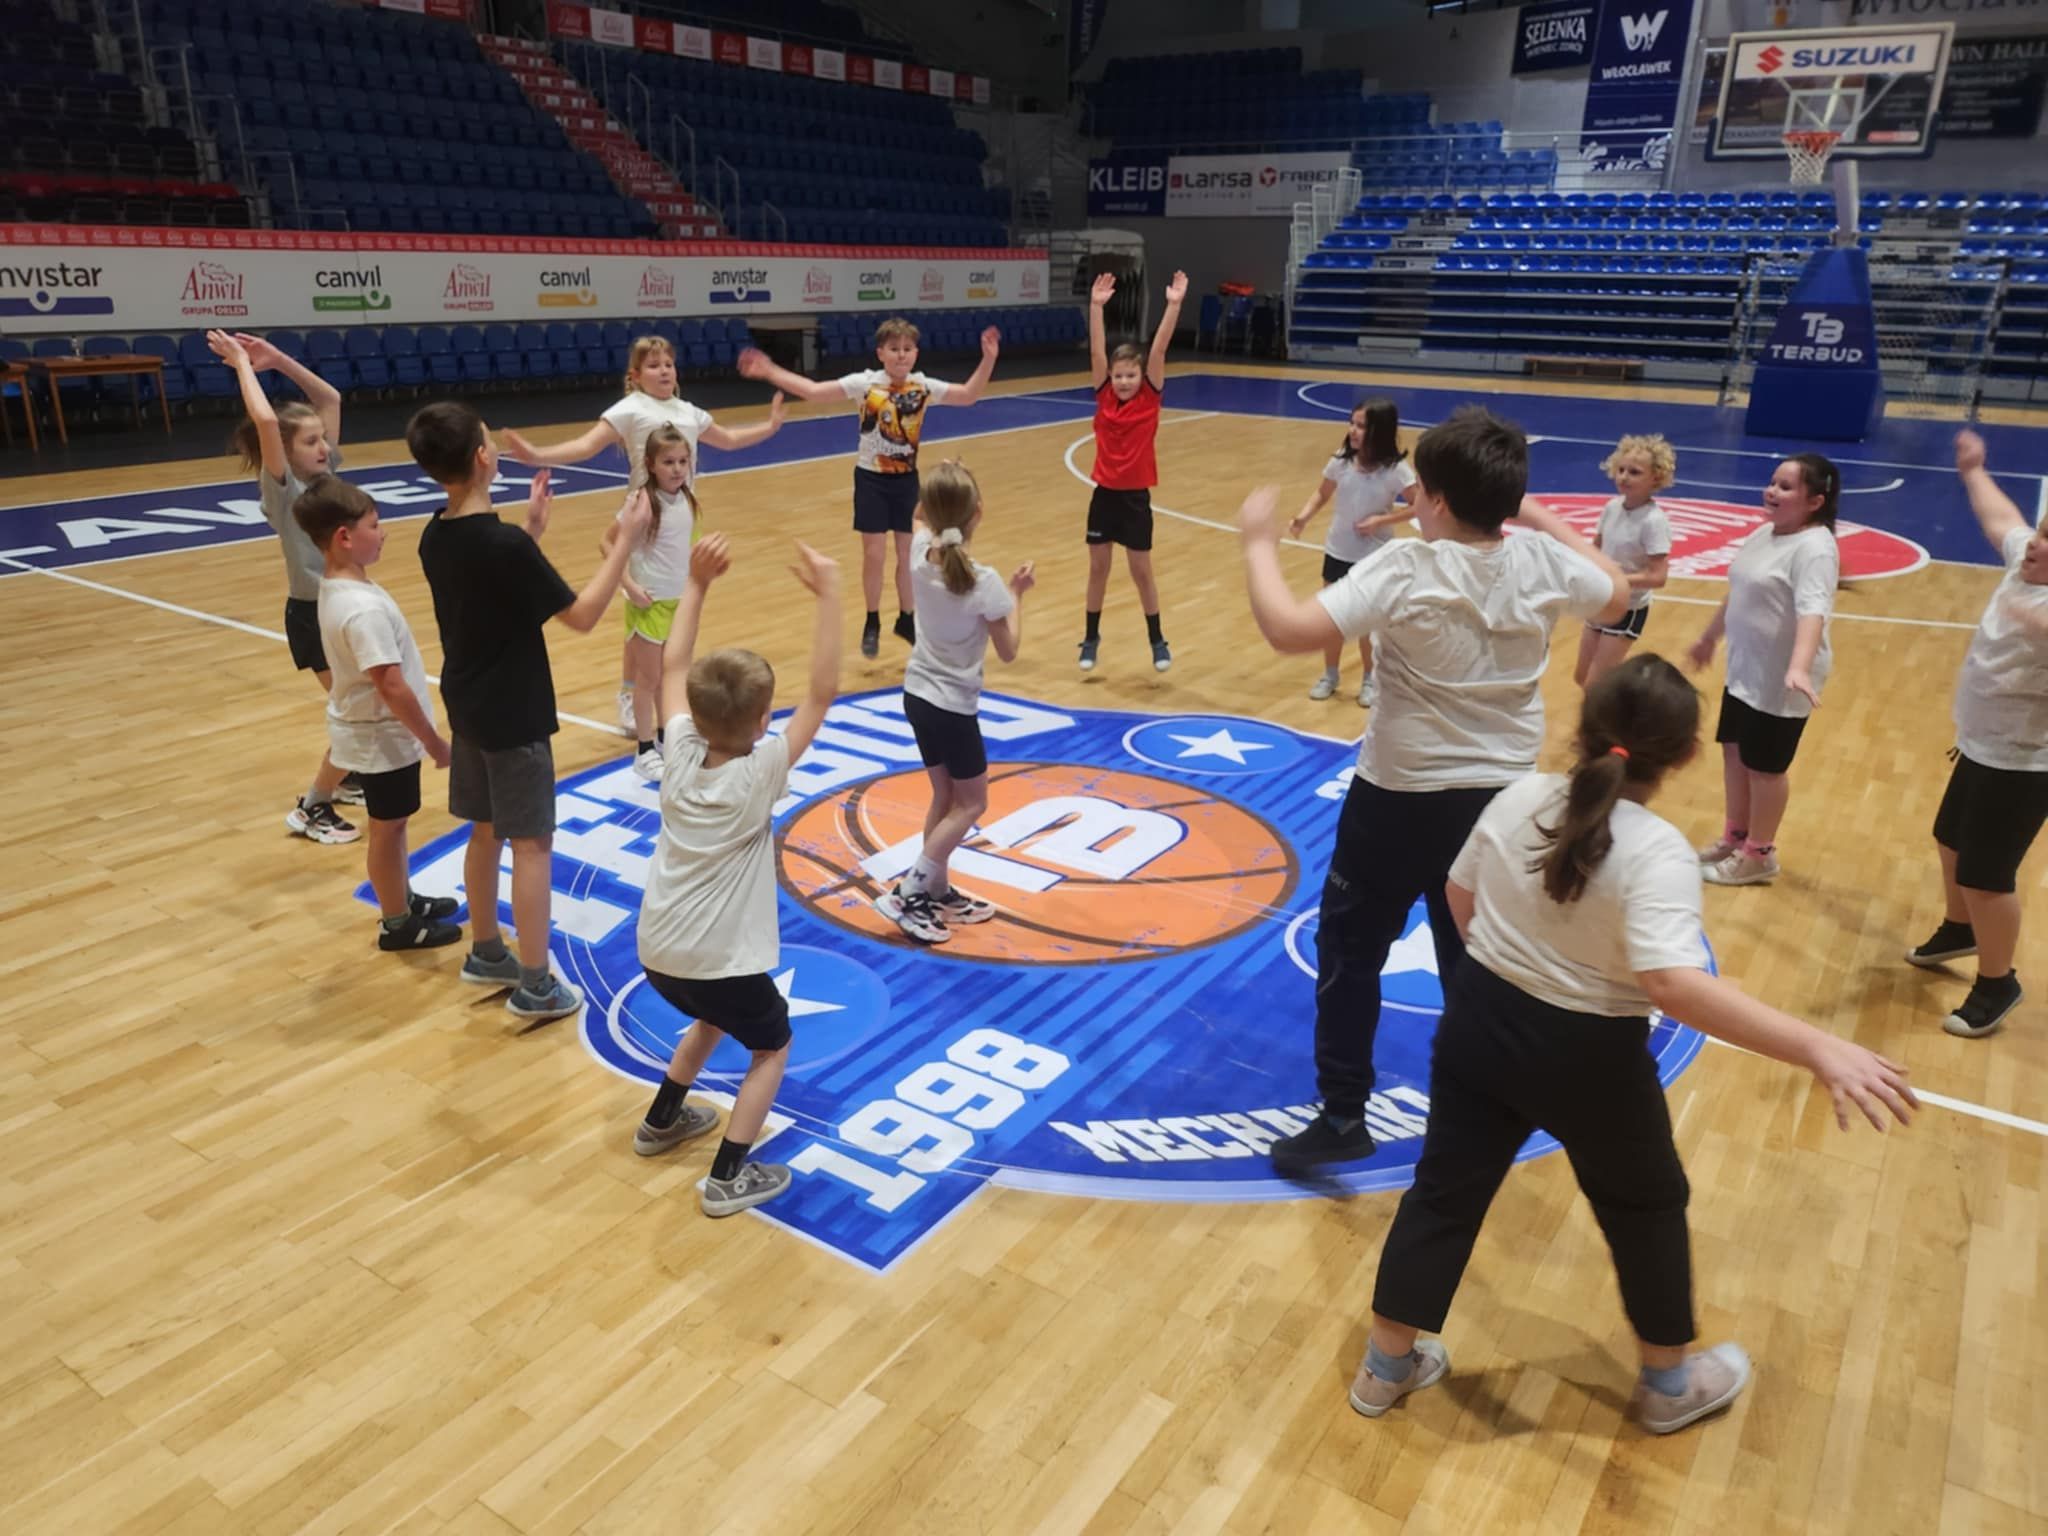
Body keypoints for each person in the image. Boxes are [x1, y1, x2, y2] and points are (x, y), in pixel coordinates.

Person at [1351, 655, 1915, 1433]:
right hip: (1588, 1055)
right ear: (1686, 755)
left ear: (1583, 727)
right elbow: (1673, 986)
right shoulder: (1656, 851)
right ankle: (1669, 1385)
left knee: (1443, 1192)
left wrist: (1509, 976)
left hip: (1478, 1021)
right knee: (1646, 1205)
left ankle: (1384, 1369)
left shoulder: (1519, 795)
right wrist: (1818, 1045)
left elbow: (1458, 895)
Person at [1237, 406, 1630, 1176]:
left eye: (1418, 488)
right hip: (1501, 803)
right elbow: (1616, 593)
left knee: (1351, 952)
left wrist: (1256, 543)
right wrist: (1538, 516)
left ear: (1440, 501)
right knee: (1475, 961)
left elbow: (1288, 630)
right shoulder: (1539, 560)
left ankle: (1344, 1114)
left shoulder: (1405, 567)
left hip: (1399, 799)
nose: (1408, 497)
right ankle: (1484, 1110)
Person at [407, 401, 649, 1023]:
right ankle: (537, 984)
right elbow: (583, 616)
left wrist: (533, 533)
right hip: (514, 712)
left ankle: (487, 951)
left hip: (468, 704)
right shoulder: (504, 545)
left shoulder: (435, 534)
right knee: (533, 845)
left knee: (484, 830)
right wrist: (623, 542)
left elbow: (490, 592)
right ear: (482, 458)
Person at [631, 532, 843, 1217]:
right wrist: (830, 596)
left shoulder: (678, 750)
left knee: (711, 1017)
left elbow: (672, 664)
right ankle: (728, 1177)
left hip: (658, 951)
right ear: (761, 722)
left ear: (693, 716)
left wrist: (695, 584)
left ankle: (662, 1120)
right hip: (715, 961)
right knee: (772, 1045)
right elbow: (823, 692)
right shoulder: (759, 773)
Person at [501, 335, 784, 735]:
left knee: (663, 611)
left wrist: (770, 427)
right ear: (635, 376)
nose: (664, 370)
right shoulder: (631, 408)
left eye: (668, 363)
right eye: (653, 365)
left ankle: (652, 695)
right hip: (643, 517)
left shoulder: (688, 411)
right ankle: (632, 693)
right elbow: (586, 445)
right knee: (643, 613)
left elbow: (730, 439)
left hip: (680, 516)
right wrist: (537, 455)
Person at [737, 319, 1001, 659]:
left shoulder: (923, 386)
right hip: (871, 479)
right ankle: (872, 619)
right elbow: (814, 391)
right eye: (894, 349)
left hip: (906, 480)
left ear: (916, 353)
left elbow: (968, 395)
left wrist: (988, 358)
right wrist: (770, 371)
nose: (901, 355)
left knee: (909, 554)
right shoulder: (865, 383)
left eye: (907, 349)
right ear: (880, 353)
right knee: (874, 555)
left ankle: (906, 618)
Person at [1903, 430, 2048, 1038]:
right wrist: (1973, 470)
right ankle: (1960, 929)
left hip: (2023, 764)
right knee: (1950, 841)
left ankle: (1998, 981)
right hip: (1981, 745)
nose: (2035, 544)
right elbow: (2002, 519)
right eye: (2043, 534)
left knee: (1987, 876)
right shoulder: (2024, 565)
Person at [291, 475, 462, 952]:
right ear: (344, 537)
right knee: (388, 831)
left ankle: (400, 897)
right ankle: (396, 923)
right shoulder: (360, 609)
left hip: (373, 732)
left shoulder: (340, 587)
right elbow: (390, 685)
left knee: (395, 825)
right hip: (382, 737)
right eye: (374, 524)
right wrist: (434, 741)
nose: (383, 533)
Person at [871, 461, 1033, 944]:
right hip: (954, 708)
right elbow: (1009, 649)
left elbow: (920, 515)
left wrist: (943, 483)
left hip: (917, 696)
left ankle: (936, 890)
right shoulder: (986, 582)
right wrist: (1018, 595)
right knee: (973, 803)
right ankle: (909, 890)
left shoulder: (918, 553)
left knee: (944, 798)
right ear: (978, 512)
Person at [208, 328, 360, 845]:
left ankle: (346, 776)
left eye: (323, 439)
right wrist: (242, 365)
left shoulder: (324, 473)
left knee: (360, 708)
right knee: (358, 711)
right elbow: (268, 422)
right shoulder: (284, 487)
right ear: (285, 453)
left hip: (344, 611)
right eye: (311, 442)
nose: (324, 446)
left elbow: (329, 397)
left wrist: (278, 359)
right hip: (313, 616)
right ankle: (313, 806)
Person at [598, 408, 782, 778]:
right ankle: (644, 751)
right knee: (648, 681)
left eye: (683, 461)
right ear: (651, 465)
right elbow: (607, 543)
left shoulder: (687, 499)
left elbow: (686, 548)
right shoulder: (642, 502)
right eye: (668, 462)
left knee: (673, 677)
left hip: (678, 603)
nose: (677, 469)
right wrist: (630, 587)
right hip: (649, 605)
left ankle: (665, 738)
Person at [1686, 455, 1841, 887]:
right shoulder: (1763, 533)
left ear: (1815, 501)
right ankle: (1736, 837)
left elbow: (1813, 611)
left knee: (1766, 769)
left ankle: (1760, 854)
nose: (1772, 491)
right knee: (1735, 752)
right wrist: (1708, 638)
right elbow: (1738, 592)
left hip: (1780, 680)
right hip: (1746, 670)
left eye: (1786, 487)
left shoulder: (1815, 549)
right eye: (1773, 482)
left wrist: (1799, 667)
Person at [1080, 269, 1186, 675]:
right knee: (1098, 570)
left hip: (1136, 499)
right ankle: (1091, 637)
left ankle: (1157, 639)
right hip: (1104, 496)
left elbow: (1158, 349)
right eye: (1118, 374)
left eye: (1130, 375)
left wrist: (1173, 305)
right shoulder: (1104, 394)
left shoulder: (1149, 399)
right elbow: (1096, 353)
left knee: (1141, 572)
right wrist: (1095, 308)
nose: (1123, 381)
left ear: (1142, 377)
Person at [1286, 397, 1417, 704]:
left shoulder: (1396, 470)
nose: (1353, 431)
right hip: (1338, 551)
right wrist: (1303, 517)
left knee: (1367, 626)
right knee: (1332, 619)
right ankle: (1330, 675)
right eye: (1352, 423)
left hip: (1373, 557)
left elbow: (1418, 505)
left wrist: (1381, 521)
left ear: (1380, 431)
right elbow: (1321, 494)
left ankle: (1370, 679)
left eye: (1361, 426)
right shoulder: (1341, 462)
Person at [1574, 434, 1675, 690]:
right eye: (1621, 470)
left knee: (1595, 684)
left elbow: (1658, 577)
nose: (1624, 477)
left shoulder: (1653, 521)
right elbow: (1596, 548)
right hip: (1601, 600)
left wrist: (1616, 580)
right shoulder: (1611, 507)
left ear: (1656, 478)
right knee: (1582, 677)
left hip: (1628, 608)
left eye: (1634, 472)